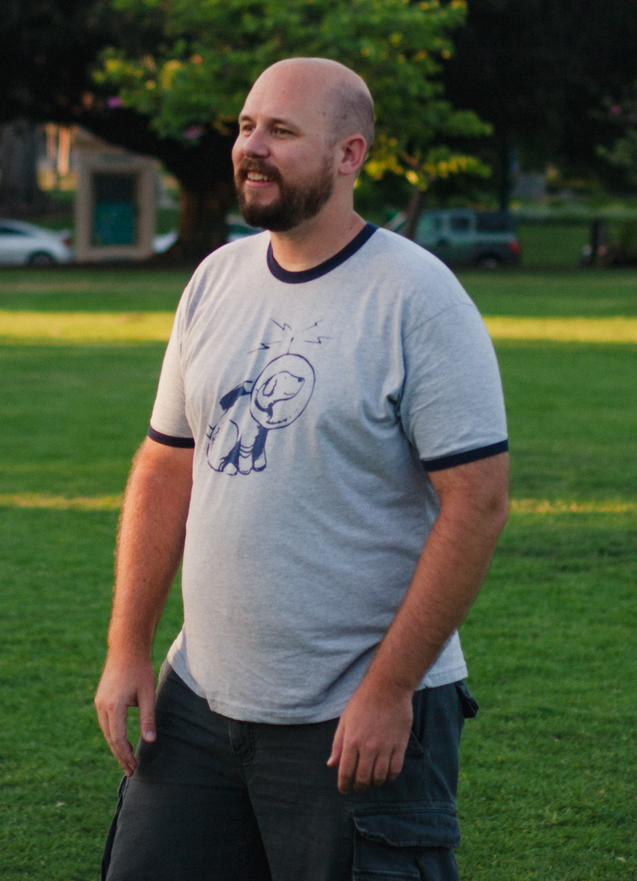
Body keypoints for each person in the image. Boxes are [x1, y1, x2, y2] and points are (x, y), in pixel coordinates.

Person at [93, 57, 511, 880]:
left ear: (349, 154)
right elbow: (164, 468)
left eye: (281, 131)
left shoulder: (415, 297)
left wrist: (391, 692)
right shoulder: (215, 279)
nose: (253, 147)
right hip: (198, 707)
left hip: (353, 718)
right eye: (247, 127)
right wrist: (127, 646)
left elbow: (478, 502)